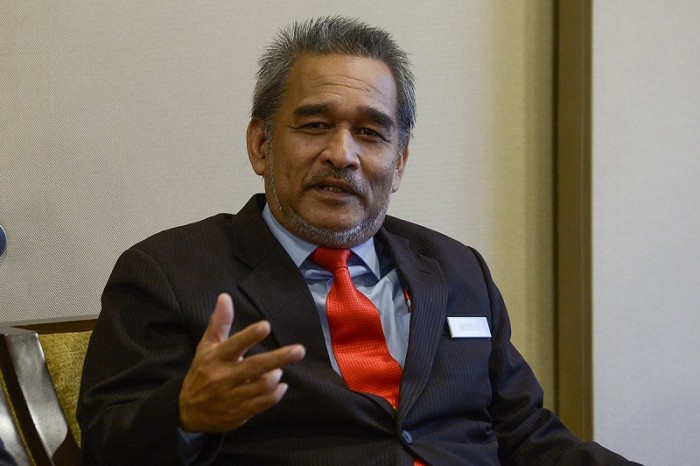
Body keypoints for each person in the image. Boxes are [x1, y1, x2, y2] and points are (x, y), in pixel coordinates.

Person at [78, 16, 640, 465]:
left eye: (370, 133)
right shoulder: (169, 272)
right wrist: (184, 414)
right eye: (315, 126)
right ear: (261, 145)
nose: (342, 155)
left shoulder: (457, 268)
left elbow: (522, 431)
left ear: (399, 162)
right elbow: (106, 444)